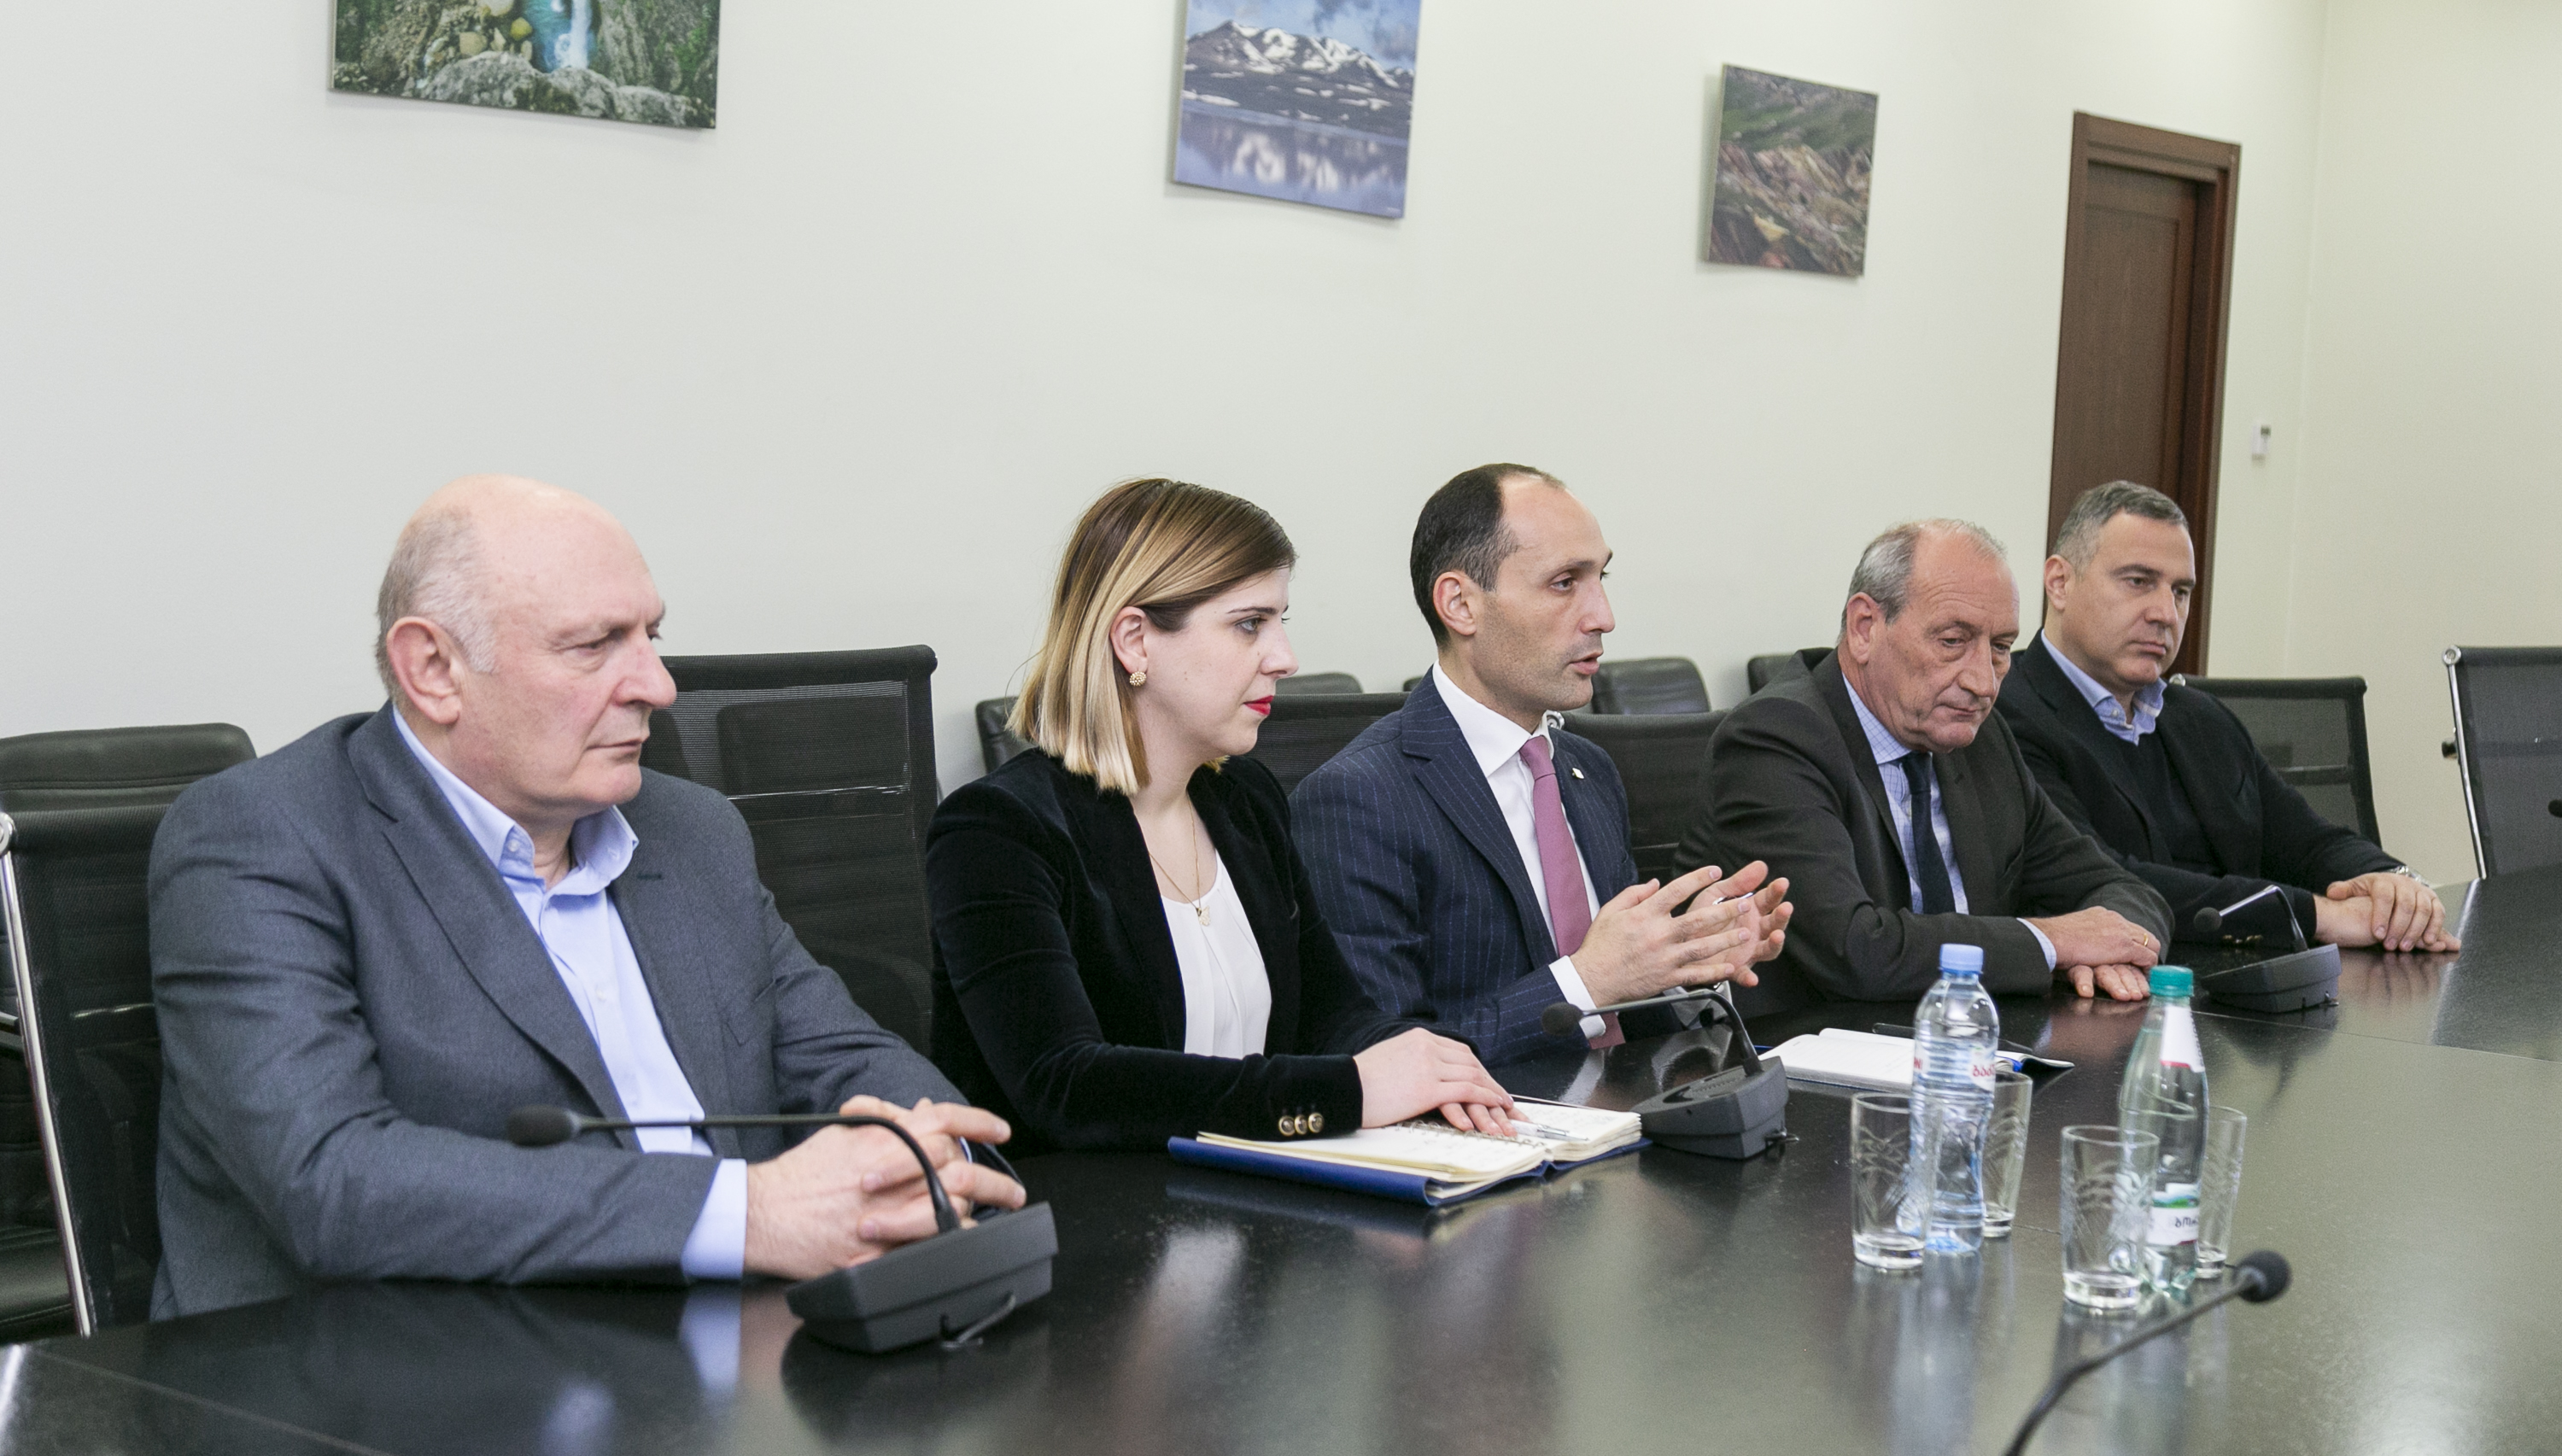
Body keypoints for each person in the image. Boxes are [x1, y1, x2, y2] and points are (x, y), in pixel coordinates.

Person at [149, 476, 1024, 1319]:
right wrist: (749, 1213)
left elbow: (844, 1057)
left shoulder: (693, 831)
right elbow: (328, 1176)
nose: (658, 686)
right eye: (594, 645)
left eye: (650, 635)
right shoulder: (263, 837)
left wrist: (933, 1158)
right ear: (434, 669)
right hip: (393, 1371)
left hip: (727, 1343)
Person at [925, 478, 1516, 1155]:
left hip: (1253, 1197)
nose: (1285, 658)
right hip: (1090, 1211)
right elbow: (1067, 1084)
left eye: (1279, 620)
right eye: (1248, 624)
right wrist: (1346, 1091)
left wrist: (1432, 1066)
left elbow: (1332, 1013)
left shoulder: (1245, 800)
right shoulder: (996, 830)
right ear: (1135, 641)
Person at [1292, 465, 1790, 1067]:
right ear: (1460, 604)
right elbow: (1383, 1057)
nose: (1603, 616)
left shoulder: (1588, 769)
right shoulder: (1357, 799)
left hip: (1629, 1108)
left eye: (1600, 578)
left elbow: (1627, 1015)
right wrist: (1587, 981)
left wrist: (1686, 961)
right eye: (1564, 583)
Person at [1678, 518, 2173, 1006]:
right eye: (1952, 642)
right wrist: (2055, 942)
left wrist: (2117, 949)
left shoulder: (1980, 739)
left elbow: (2119, 887)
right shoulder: (1775, 738)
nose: (1983, 683)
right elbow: (1857, 951)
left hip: (1968, 1034)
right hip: (1812, 1043)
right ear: (1865, 628)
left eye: (2001, 649)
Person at [1998, 481, 2456, 953]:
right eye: (2138, 582)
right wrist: (2319, 915)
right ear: (2060, 583)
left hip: (2249, 976)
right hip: (2126, 981)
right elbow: (2104, 879)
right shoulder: (2006, 714)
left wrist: (2394, 884)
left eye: (2180, 591)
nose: (2166, 613)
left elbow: (2308, 841)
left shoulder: (2200, 717)